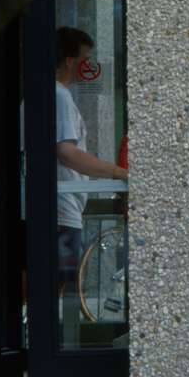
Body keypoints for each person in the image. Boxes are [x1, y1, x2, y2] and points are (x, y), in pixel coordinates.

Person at [52, 27, 129, 346]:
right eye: (86, 58)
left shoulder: (58, 95)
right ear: (70, 61)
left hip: (66, 205)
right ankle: (52, 346)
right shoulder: (57, 95)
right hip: (60, 206)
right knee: (58, 280)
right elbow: (67, 152)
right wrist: (118, 172)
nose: (90, 65)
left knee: (60, 279)